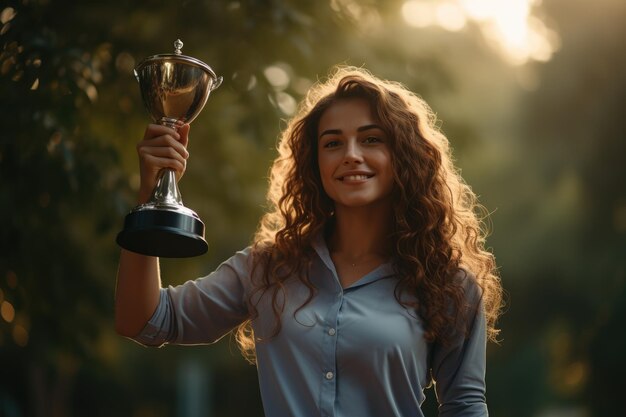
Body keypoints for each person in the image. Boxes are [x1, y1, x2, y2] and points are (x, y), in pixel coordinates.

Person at [115, 66, 503, 417]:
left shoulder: (448, 284)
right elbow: (145, 320)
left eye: (371, 140)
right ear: (314, 164)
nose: (351, 155)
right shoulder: (267, 269)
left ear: (403, 156)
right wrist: (149, 203)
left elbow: (464, 405)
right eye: (333, 143)